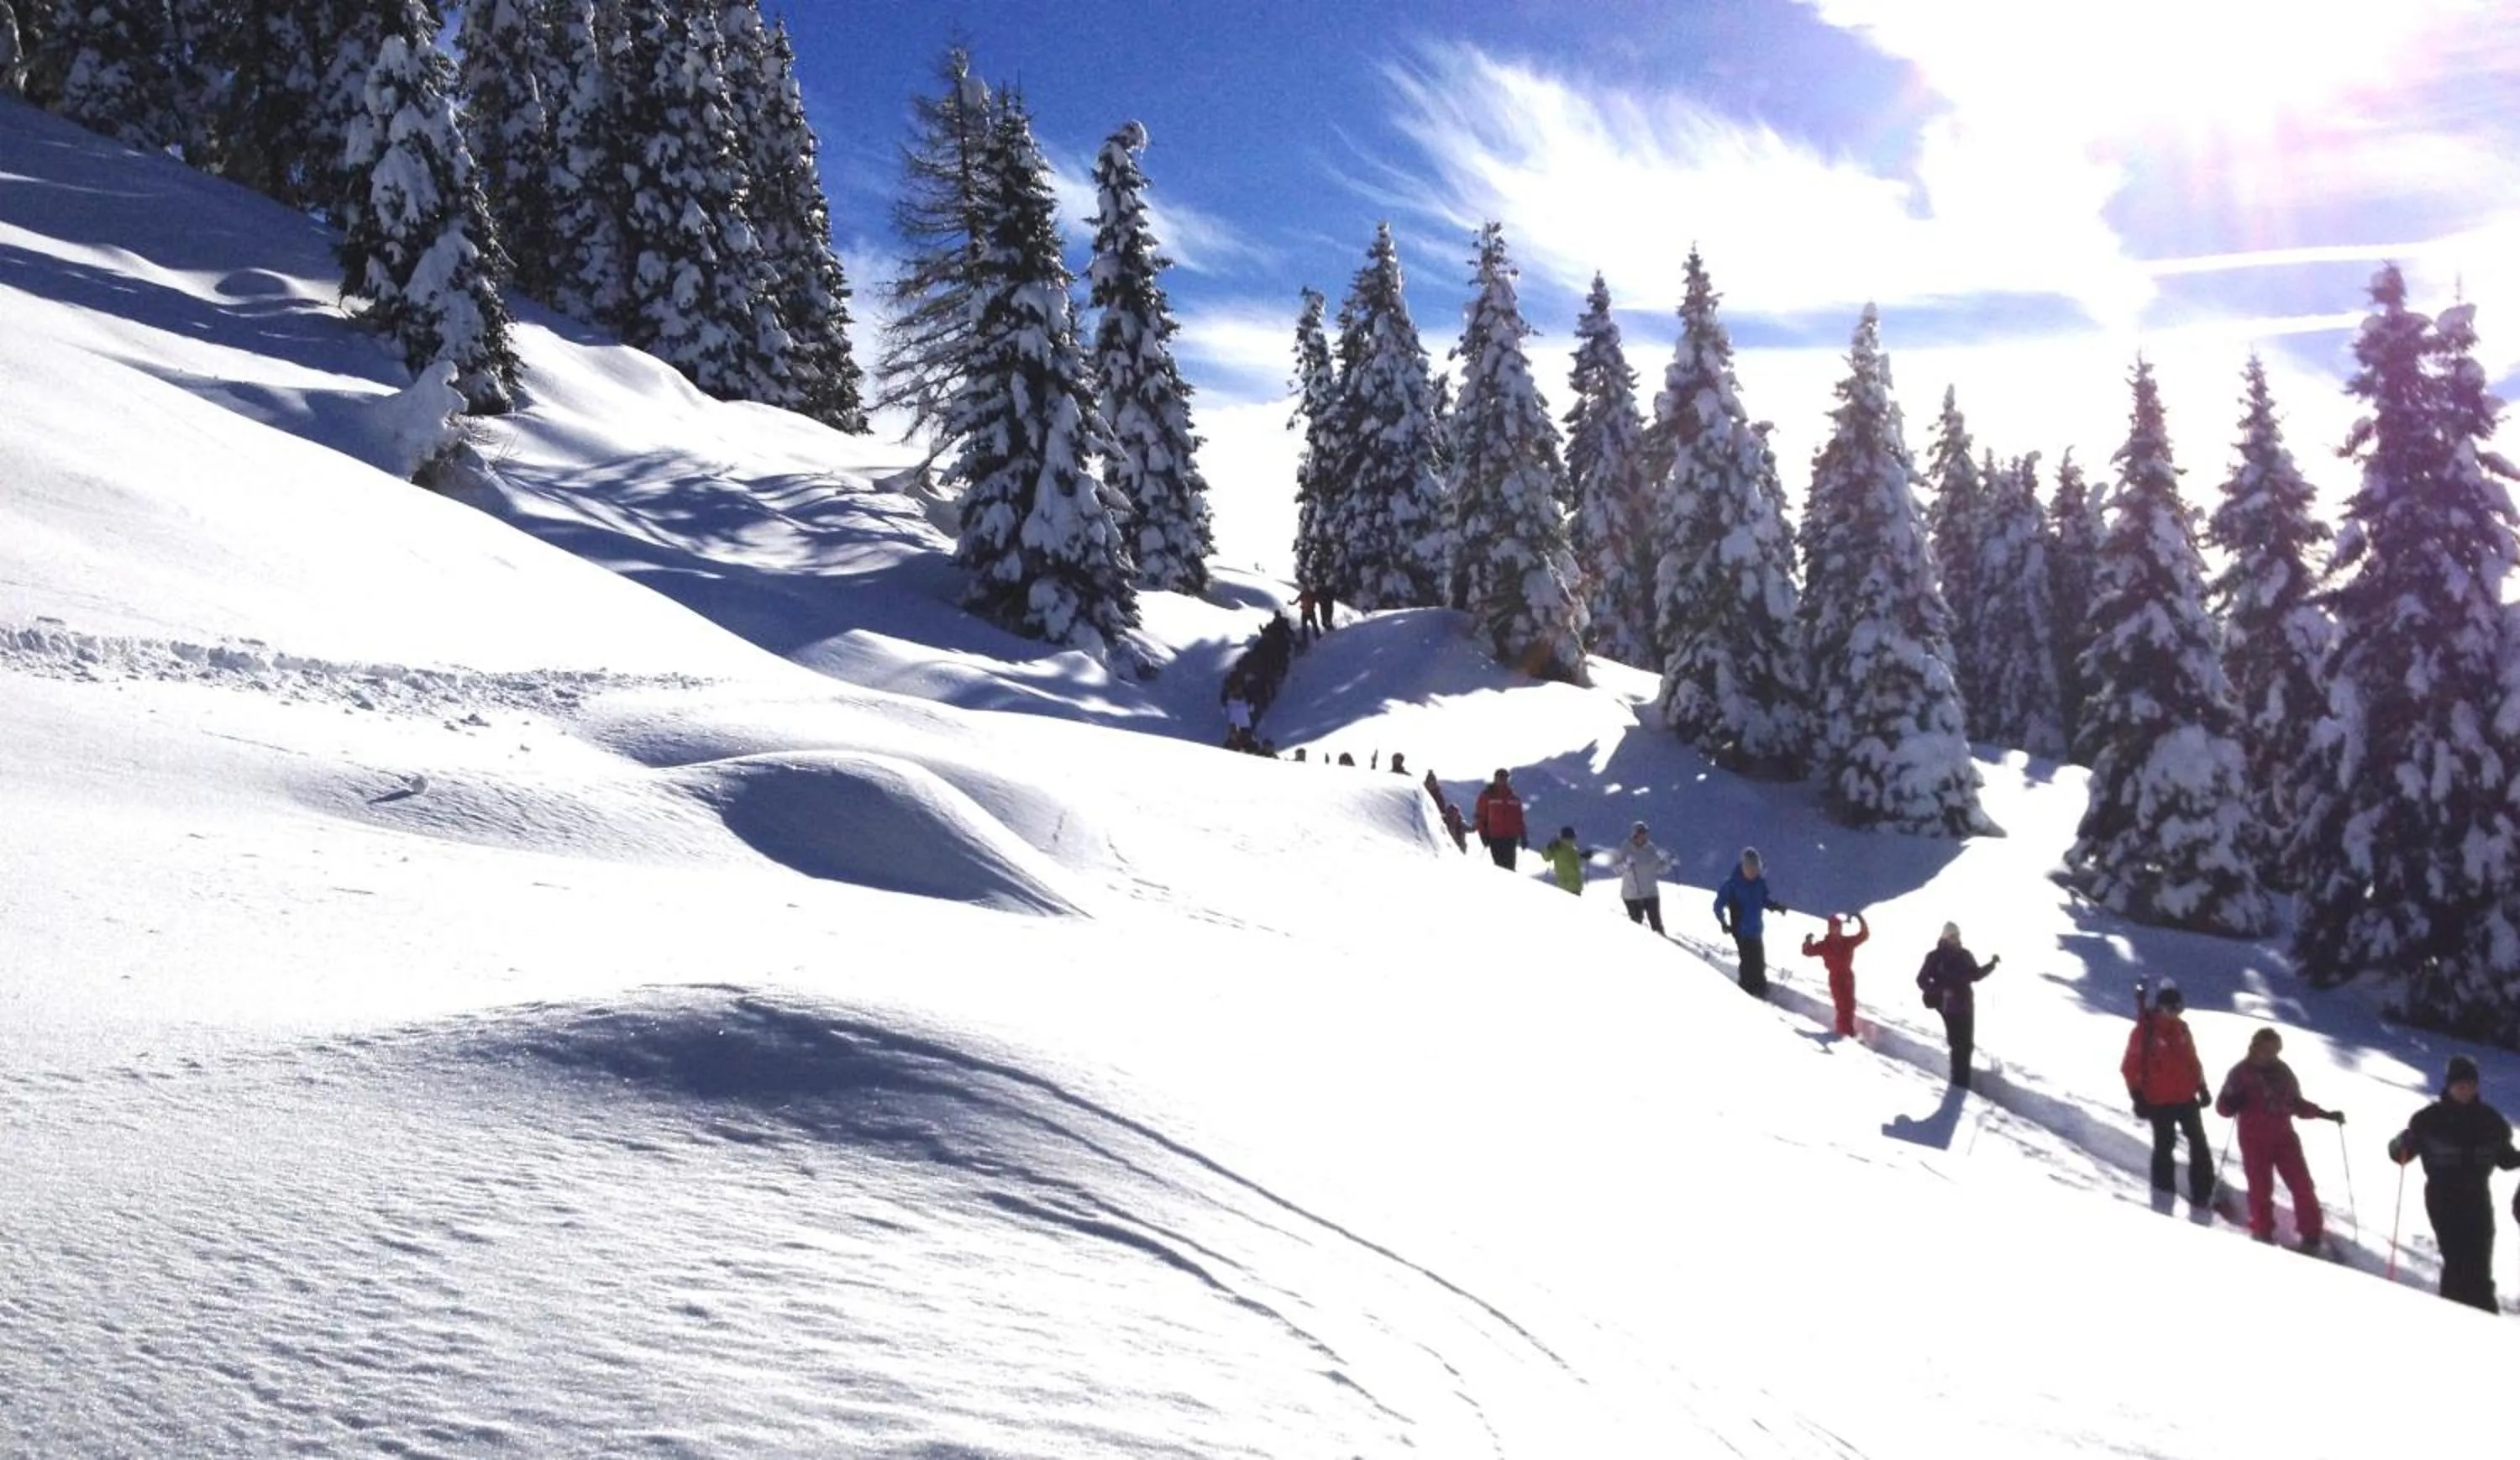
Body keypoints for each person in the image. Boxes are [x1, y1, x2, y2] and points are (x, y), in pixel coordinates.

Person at [2387, 1054, 2520, 1312]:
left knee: (2480, 1260)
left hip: (2478, 1198)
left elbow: (2505, 1159)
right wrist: (2400, 1144)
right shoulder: (2429, 1119)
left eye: (2470, 1084)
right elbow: (2399, 1154)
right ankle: (2454, 1313)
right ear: (2449, 1085)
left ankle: (2485, 1313)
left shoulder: (2490, 1121)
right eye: (2460, 1085)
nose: (2465, 1089)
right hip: (2443, 1199)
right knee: (2457, 1260)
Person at [2216, 1027, 2343, 1251]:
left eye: (2274, 1050)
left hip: (2284, 1139)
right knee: (2260, 1188)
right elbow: (2223, 1109)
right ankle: (2262, 1232)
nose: (2269, 1055)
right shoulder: (2240, 1073)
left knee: (2302, 1186)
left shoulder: (2283, 1072)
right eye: (2265, 1049)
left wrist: (2325, 1114)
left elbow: (2296, 1103)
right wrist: (2231, 1101)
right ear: (2254, 1047)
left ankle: (2311, 1236)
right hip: (2254, 1141)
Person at [2121, 978, 2217, 1211]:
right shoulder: (2145, 1032)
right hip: (2159, 1101)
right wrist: (2137, 1096)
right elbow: (2130, 1067)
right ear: (2159, 1007)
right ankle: (2163, 1194)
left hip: (2186, 1098)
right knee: (2165, 1146)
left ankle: (2203, 1192)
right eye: (2168, 1009)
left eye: (2177, 1008)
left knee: (2199, 1144)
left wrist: (2201, 1087)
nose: (2173, 1014)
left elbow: (2192, 1061)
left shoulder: (2182, 1029)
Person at [1915, 922, 1998, 1089]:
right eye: (1953, 936)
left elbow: (1975, 975)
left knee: (1967, 1045)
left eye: (1958, 935)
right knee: (1957, 1044)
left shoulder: (1965, 954)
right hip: (1948, 1007)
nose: (1956, 939)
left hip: (1966, 1004)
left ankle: (1963, 1081)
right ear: (1945, 937)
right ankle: (1958, 1083)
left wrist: (1991, 965)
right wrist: (1941, 990)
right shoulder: (1935, 957)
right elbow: (1921, 980)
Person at [1712, 848, 1790, 997]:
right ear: (1743, 866)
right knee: (1748, 964)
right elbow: (1718, 905)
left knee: (1759, 963)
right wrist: (1723, 922)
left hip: (1756, 930)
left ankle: (1760, 990)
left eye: (1755, 868)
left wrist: (1776, 907)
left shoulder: (1759, 883)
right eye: (1749, 868)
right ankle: (1746, 994)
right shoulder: (1733, 884)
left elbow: (1763, 900)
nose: (1752, 872)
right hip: (1741, 931)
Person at [1800, 911, 1870, 1037]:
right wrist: (1807, 941)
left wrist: (1861, 920)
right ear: (1829, 929)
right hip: (1835, 978)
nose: (1836, 930)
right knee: (1842, 1006)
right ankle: (1844, 1033)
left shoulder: (1847, 942)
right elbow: (1808, 951)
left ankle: (1847, 1031)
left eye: (1838, 927)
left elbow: (1864, 936)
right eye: (1833, 927)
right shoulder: (1825, 945)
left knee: (1850, 1005)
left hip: (1848, 977)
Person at [1607, 822, 1672, 932]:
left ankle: (1660, 941)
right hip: (1632, 895)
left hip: (1651, 893)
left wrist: (1668, 862)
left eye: (1645, 833)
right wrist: (1626, 864)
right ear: (1634, 834)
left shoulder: (1651, 848)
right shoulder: (1626, 848)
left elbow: (1659, 868)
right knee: (1636, 924)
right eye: (1640, 833)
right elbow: (1616, 870)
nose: (1643, 836)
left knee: (1656, 924)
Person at [1472, 768, 1527, 870]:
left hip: (1511, 839)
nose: (1502, 780)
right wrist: (1483, 834)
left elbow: (1519, 819)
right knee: (1500, 868)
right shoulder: (1487, 796)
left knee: (1510, 868)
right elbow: (1480, 817)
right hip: (1495, 838)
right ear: (1495, 778)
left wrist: (1523, 835)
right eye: (1500, 777)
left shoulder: (1513, 798)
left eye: (1505, 777)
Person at [1541, 827, 1583, 894]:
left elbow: (1546, 858)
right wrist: (1582, 857)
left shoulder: (1557, 848)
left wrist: (1549, 848)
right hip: (1574, 885)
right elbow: (1578, 865)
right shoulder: (1572, 849)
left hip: (1563, 884)